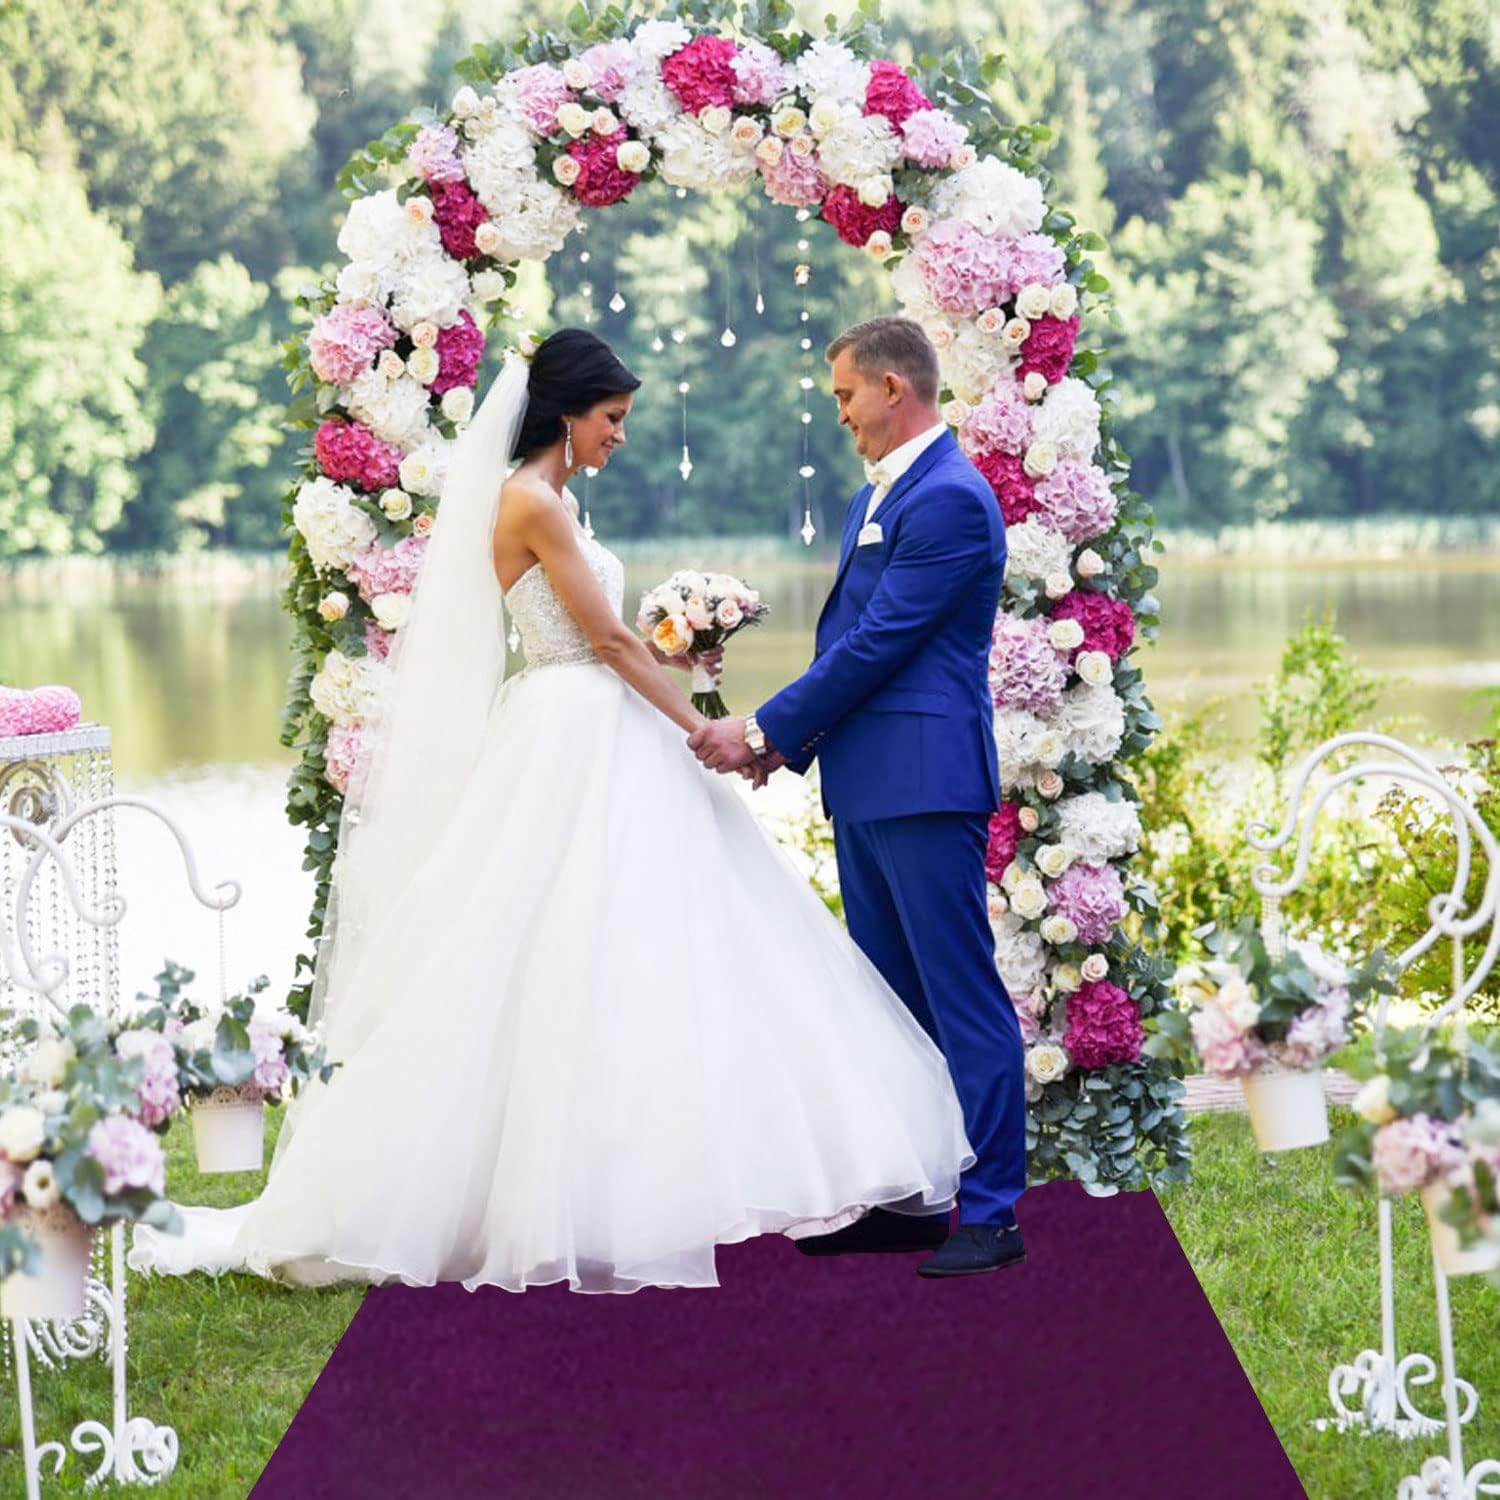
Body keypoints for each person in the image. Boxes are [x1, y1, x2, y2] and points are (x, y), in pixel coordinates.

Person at [131, 329, 973, 1294]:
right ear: (566, 414)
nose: (620, 435)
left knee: (631, 949)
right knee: (545, 943)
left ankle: (620, 1177)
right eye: (611, 418)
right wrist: (706, 732)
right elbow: (605, 641)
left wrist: (682, 654)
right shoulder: (528, 500)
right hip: (572, 729)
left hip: (595, 719)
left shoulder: (556, 500)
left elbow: (605, 637)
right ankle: (517, 1192)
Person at [690, 317, 1028, 1278]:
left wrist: (763, 732)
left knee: (960, 998)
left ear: (891, 386)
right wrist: (790, 746)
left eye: (844, 395)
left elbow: (884, 642)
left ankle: (992, 1213)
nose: (839, 414)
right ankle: (911, 1196)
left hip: (925, 782)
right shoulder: (873, 495)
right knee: (888, 1004)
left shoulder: (951, 498)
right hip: (867, 781)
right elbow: (850, 649)